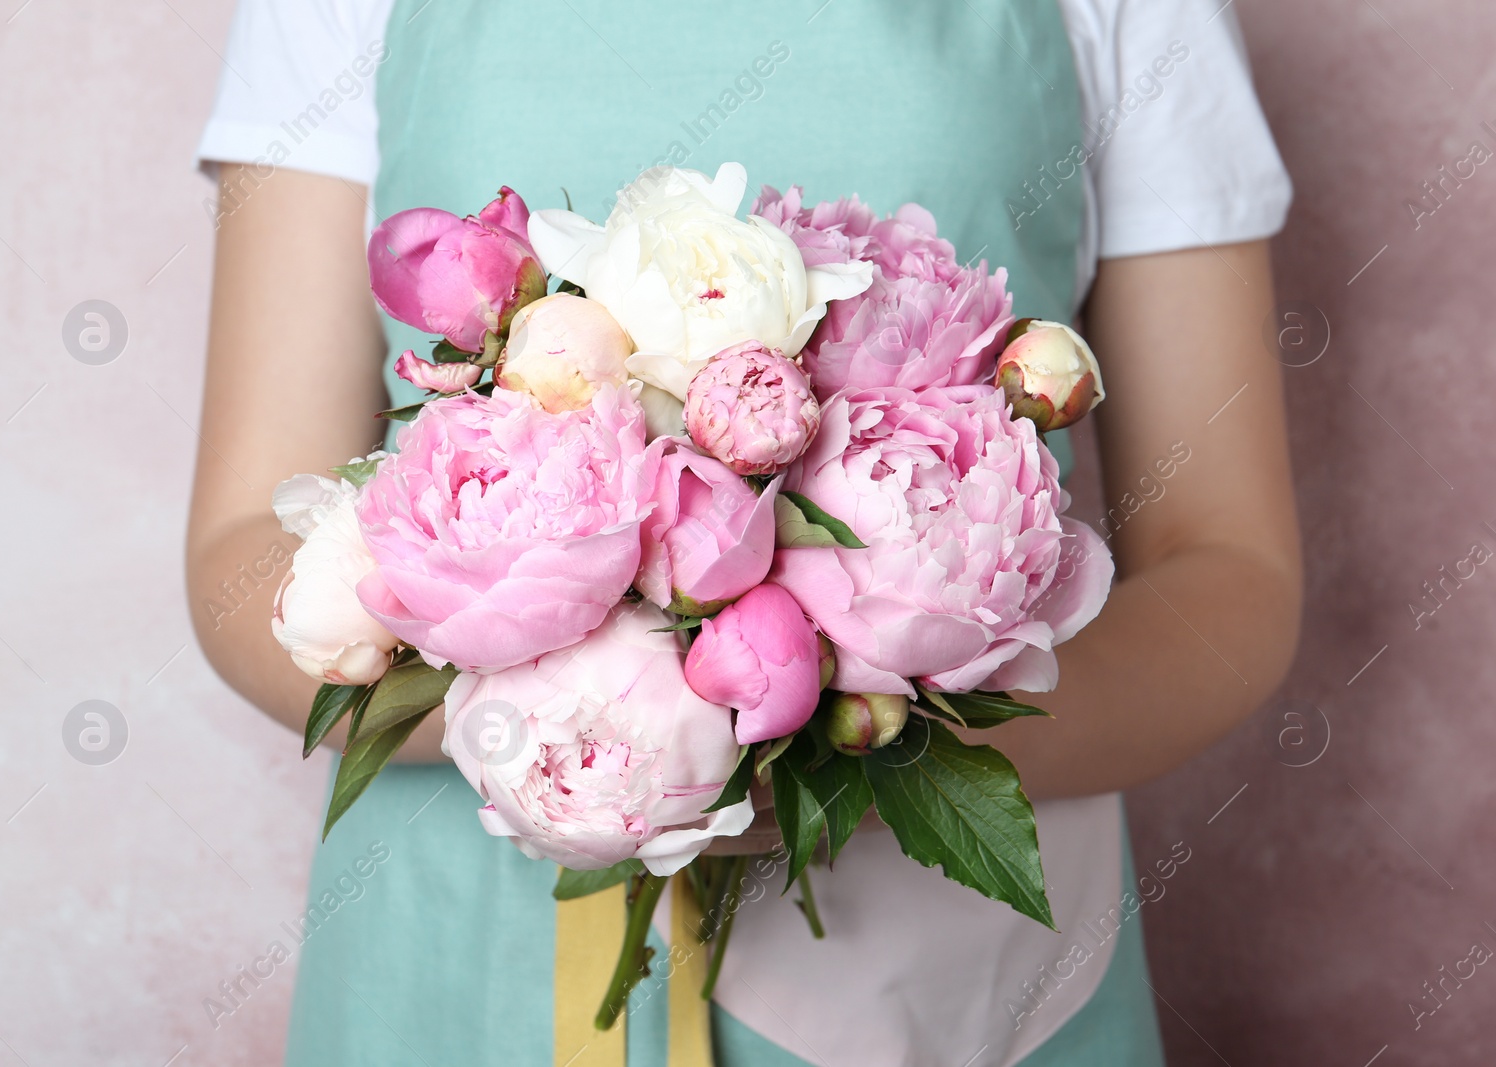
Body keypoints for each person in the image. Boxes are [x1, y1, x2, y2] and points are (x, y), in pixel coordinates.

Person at [187, 1, 1302, 1063]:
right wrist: (594, 736)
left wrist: (858, 754)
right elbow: (243, 546)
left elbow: (1228, 567)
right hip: (449, 955)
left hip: (938, 974)